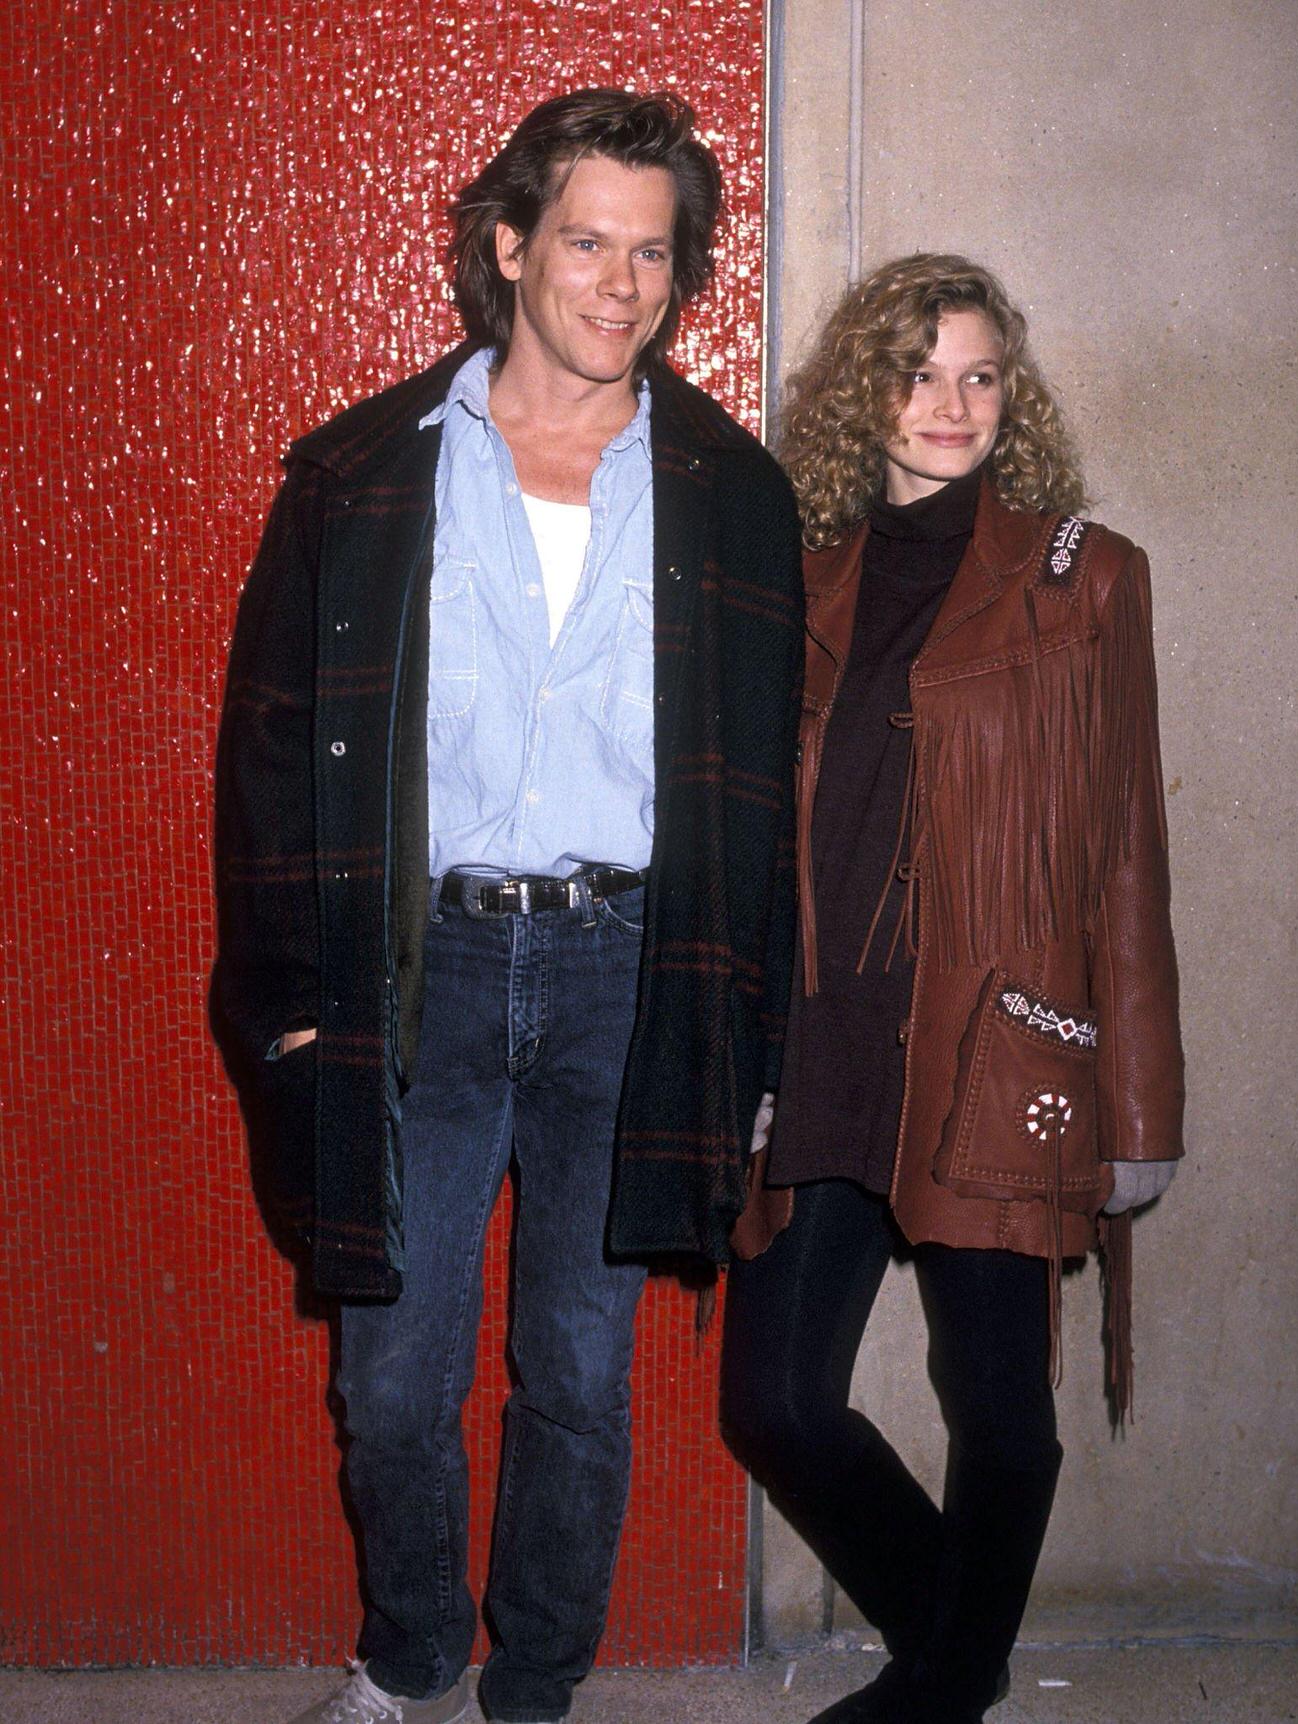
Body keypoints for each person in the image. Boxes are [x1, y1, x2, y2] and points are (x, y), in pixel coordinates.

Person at [211, 89, 803, 1724]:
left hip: (631, 970)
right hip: (422, 967)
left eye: (654, 252)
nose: (621, 284)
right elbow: (267, 754)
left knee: (584, 1375)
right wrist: (290, 998)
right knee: (392, 1378)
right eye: (587, 241)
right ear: (509, 247)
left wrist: (744, 1033)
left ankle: (535, 1683)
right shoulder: (359, 479)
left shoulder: (731, 501)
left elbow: (765, 803)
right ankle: (407, 1661)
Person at [720, 253, 1185, 1724]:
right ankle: (959, 1654)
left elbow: (1125, 849)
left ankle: (933, 1689)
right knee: (777, 1401)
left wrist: (1143, 1103)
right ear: (867, 393)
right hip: (832, 1039)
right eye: (919, 372)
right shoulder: (803, 579)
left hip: (995, 1045)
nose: (951, 404)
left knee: (1001, 1411)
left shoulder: (1085, 578)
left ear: (1014, 395)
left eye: (981, 375)